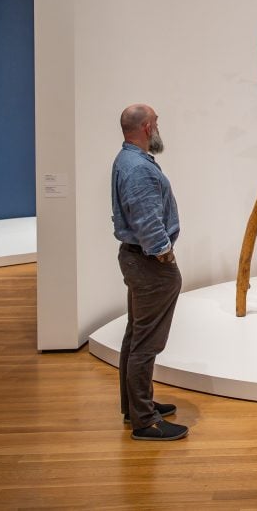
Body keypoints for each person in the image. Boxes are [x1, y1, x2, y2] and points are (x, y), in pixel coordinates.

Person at [111, 103, 188, 441]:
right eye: (156, 122)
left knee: (136, 335)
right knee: (146, 342)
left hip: (137, 260)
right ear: (145, 127)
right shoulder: (138, 168)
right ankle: (144, 421)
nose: (158, 127)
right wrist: (164, 255)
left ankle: (136, 406)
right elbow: (146, 220)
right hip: (148, 263)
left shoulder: (127, 160)